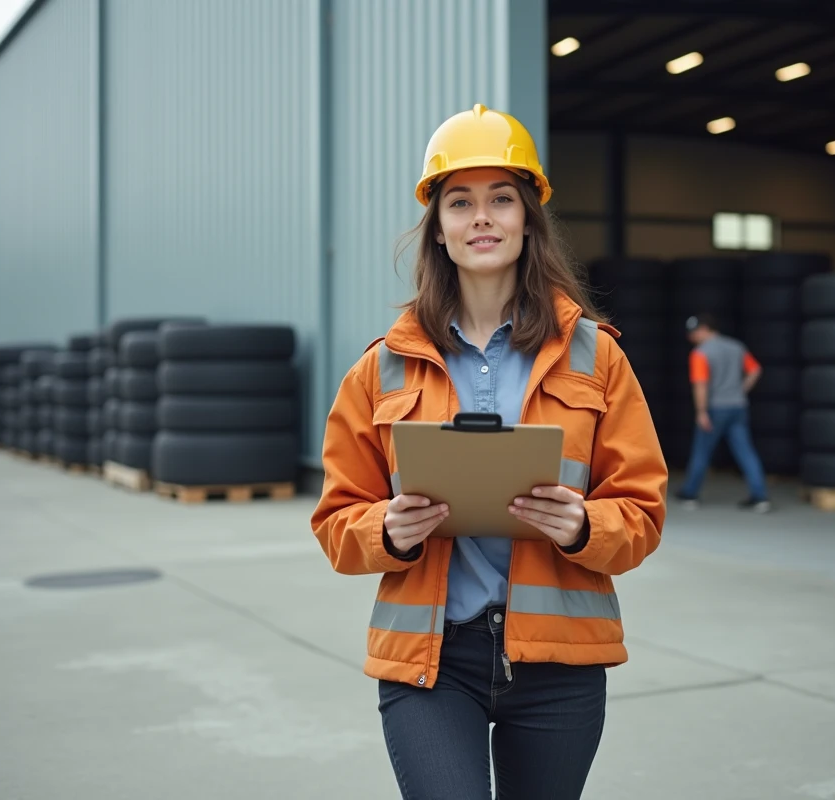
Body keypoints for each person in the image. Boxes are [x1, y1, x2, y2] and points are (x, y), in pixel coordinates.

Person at [310, 104, 668, 800]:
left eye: (501, 199)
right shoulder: (381, 368)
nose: (482, 217)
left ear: (528, 221)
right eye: (460, 202)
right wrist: (386, 531)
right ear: (438, 230)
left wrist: (585, 525)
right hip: (431, 664)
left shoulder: (596, 357)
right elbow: (335, 523)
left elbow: (643, 512)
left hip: (560, 664)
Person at [674, 313, 771, 512]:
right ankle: (760, 497)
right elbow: (755, 370)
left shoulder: (700, 353)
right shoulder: (736, 347)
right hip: (738, 406)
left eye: (693, 332)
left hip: (715, 408)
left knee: (701, 451)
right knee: (746, 452)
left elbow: (700, 385)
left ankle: (690, 494)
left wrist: (701, 412)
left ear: (704, 330)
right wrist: (740, 390)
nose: (690, 337)